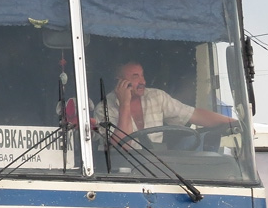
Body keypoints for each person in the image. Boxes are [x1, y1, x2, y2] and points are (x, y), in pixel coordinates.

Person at [93, 61, 235, 146]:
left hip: (159, 166)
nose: (143, 81)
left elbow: (193, 114)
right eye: (135, 76)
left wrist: (232, 122)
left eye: (142, 75)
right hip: (125, 169)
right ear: (120, 81)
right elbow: (121, 147)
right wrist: (125, 104)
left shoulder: (156, 97)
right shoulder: (103, 109)